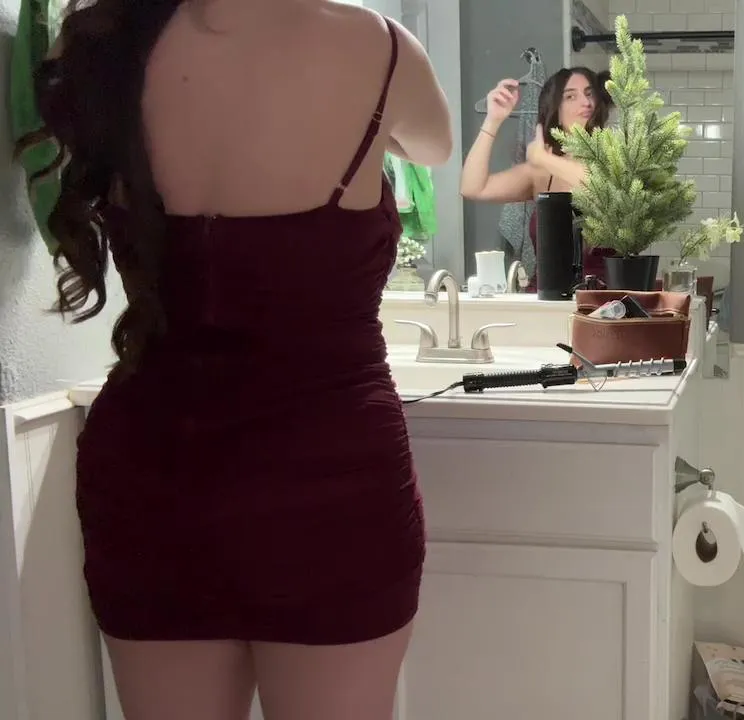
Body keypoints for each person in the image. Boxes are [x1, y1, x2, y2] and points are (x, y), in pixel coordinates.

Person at [15, 1, 452, 718]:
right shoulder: (377, 46)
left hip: (152, 480)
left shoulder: (107, 38)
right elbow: (432, 146)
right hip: (330, 486)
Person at [460, 67, 617, 289]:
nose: (586, 102)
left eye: (589, 94)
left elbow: (598, 186)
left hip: (601, 299)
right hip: (544, 297)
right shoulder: (541, 172)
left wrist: (544, 159)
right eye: (570, 96)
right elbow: (473, 187)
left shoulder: (614, 157)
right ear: (555, 110)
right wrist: (493, 120)